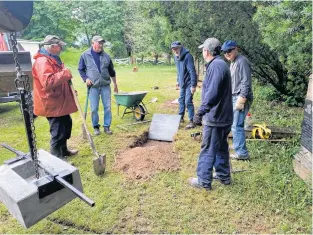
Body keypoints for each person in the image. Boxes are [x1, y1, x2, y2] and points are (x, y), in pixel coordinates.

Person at [188, 37, 233, 191]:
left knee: (208, 149)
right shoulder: (220, 64)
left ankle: (203, 181)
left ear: (206, 51)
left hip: (216, 118)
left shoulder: (216, 67)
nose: (202, 52)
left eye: (202, 50)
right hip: (223, 117)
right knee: (220, 147)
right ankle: (223, 175)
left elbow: (212, 94)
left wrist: (199, 113)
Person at [32, 35, 78, 158]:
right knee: (57, 132)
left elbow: (60, 80)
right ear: (52, 46)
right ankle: (56, 160)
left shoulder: (53, 58)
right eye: (60, 46)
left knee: (67, 125)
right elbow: (47, 82)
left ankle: (64, 150)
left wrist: (70, 91)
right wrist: (65, 73)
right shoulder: (43, 61)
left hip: (59, 101)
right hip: (51, 103)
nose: (61, 48)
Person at [78, 35, 118, 135]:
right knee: (94, 108)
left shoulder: (107, 56)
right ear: (93, 43)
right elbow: (81, 69)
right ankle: (96, 127)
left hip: (105, 85)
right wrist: (85, 78)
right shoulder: (85, 55)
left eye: (102, 43)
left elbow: (112, 72)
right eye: (99, 43)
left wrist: (115, 84)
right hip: (93, 86)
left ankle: (107, 126)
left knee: (107, 107)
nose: (101, 45)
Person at [221, 40, 253, 160]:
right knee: (235, 124)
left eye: (229, 50)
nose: (227, 53)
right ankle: (239, 148)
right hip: (234, 96)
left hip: (241, 96)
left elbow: (246, 81)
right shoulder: (233, 62)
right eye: (224, 52)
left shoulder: (242, 61)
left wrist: (242, 98)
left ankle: (242, 153)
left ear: (236, 49)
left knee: (236, 125)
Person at [171, 41, 197, 129]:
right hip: (182, 83)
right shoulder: (176, 57)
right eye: (173, 49)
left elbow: (192, 71)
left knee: (188, 101)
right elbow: (178, 70)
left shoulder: (188, 56)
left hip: (189, 83)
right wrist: (178, 80)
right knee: (181, 100)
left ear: (180, 47)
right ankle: (180, 117)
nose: (175, 50)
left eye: (176, 48)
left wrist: (193, 85)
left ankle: (191, 120)